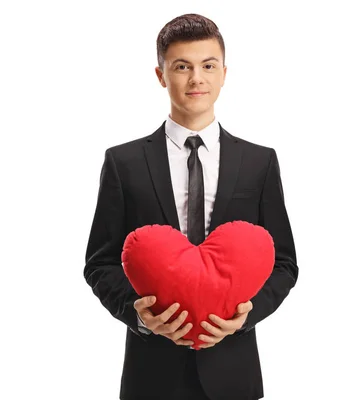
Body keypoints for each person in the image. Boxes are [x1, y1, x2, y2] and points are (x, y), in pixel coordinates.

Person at [83, 13, 298, 400]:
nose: (196, 78)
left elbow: (284, 263)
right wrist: (139, 315)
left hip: (234, 373)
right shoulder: (123, 162)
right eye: (182, 66)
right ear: (161, 75)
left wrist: (246, 317)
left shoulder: (259, 162)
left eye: (208, 66)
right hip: (151, 375)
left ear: (224, 73)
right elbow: (99, 263)